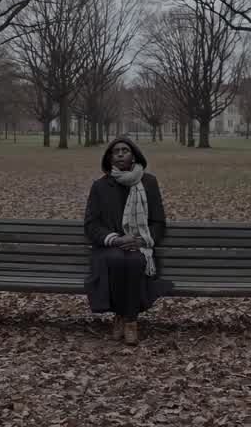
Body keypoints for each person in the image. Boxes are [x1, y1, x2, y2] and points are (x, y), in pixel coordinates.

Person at [83, 136, 171, 345]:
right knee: (116, 260)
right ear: (110, 158)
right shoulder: (100, 186)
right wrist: (115, 239)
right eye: (116, 151)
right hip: (110, 246)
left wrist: (141, 241)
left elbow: (158, 222)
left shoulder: (148, 182)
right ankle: (124, 316)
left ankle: (128, 321)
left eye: (125, 150)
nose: (120, 153)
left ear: (134, 155)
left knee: (134, 261)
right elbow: (91, 224)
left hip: (139, 246)